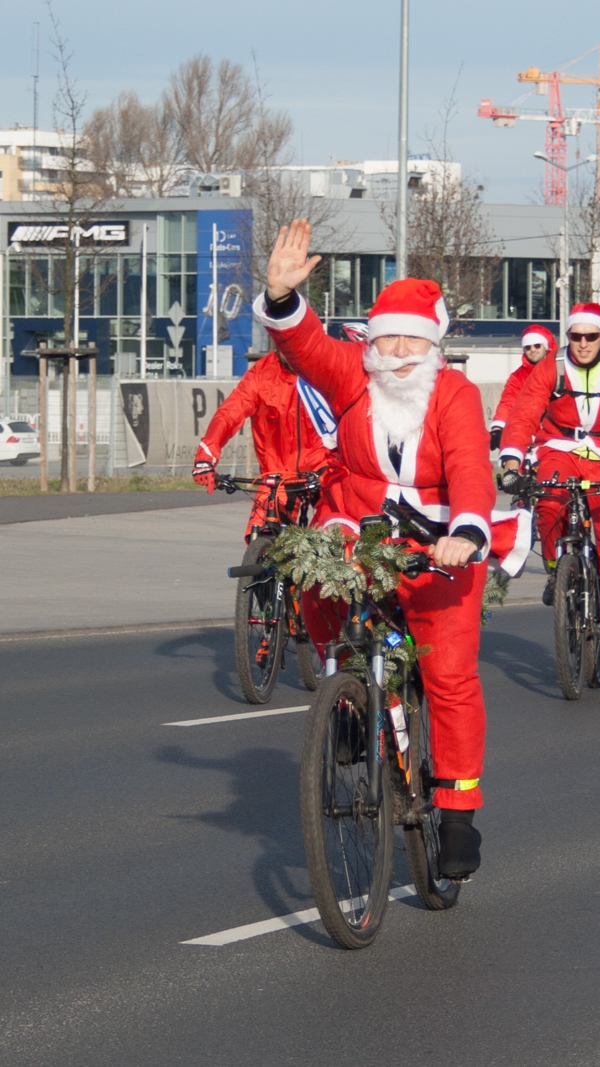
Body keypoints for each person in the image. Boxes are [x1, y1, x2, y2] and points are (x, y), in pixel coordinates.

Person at [254, 218, 496, 879]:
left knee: (449, 674)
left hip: (439, 542)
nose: (397, 349)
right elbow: (308, 347)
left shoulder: (455, 395)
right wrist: (281, 299)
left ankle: (455, 814)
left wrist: (468, 531)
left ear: (433, 344)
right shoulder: (354, 378)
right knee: (315, 570)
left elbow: (474, 465)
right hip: (362, 530)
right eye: (386, 335)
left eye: (412, 338)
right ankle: (350, 690)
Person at [498, 303, 600, 667]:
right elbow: (523, 413)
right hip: (559, 447)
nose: (583, 344)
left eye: (591, 337)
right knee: (548, 502)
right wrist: (511, 462)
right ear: (567, 336)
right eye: (575, 336)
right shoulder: (550, 367)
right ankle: (557, 571)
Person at [192, 348, 335, 540]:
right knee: (260, 530)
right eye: (283, 339)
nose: (289, 347)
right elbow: (229, 414)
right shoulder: (261, 374)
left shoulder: (327, 367)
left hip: (325, 467)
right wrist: (205, 458)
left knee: (338, 529)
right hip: (278, 472)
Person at [488, 324, 555, 452]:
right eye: (528, 347)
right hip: (529, 436)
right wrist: (498, 428)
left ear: (546, 347)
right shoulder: (517, 377)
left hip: (556, 436)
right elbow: (508, 402)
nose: (533, 350)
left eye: (537, 345)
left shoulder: (559, 371)